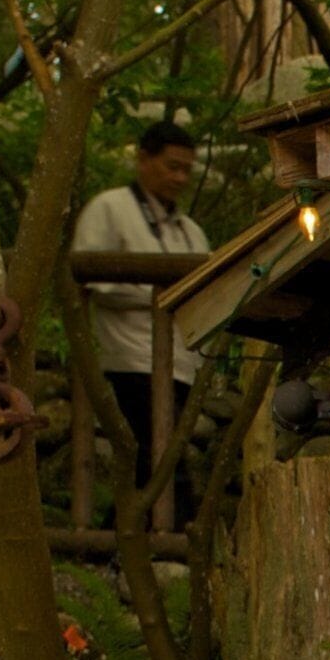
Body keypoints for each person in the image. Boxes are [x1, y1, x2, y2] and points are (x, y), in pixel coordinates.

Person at [74, 120, 211, 523]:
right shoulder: (109, 209)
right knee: (153, 453)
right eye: (171, 166)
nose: (180, 178)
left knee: (162, 453)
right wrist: (158, 296)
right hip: (131, 359)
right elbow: (92, 278)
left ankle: (132, 533)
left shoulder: (189, 231)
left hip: (180, 362)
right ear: (143, 160)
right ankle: (164, 537)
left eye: (186, 169)